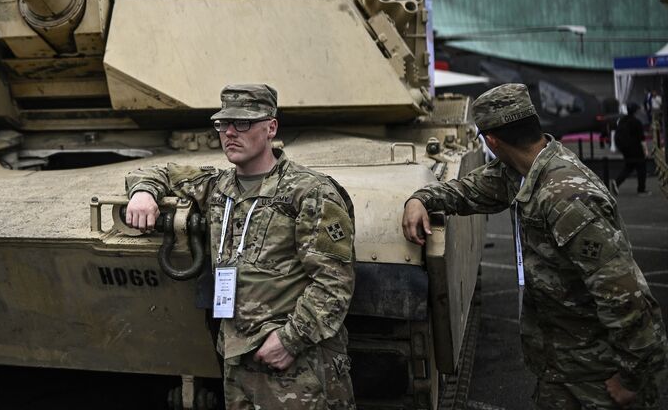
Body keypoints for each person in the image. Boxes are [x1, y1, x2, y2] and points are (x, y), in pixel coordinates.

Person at [402, 83, 666, 409]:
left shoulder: (567, 198)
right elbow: (470, 190)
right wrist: (421, 198)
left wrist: (631, 378)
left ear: (492, 141)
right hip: (560, 366)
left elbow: (625, 296)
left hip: (596, 375)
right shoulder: (524, 169)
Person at [125, 84, 356, 409]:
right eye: (223, 124)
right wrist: (144, 193)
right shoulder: (219, 187)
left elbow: (334, 283)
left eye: (243, 123)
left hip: (299, 366)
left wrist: (290, 340)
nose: (230, 132)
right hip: (236, 357)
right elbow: (157, 171)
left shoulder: (309, 192)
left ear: (271, 127)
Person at [614, 104, 649, 195]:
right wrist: (645, 150)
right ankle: (641, 190)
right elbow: (642, 138)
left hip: (625, 149)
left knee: (629, 167)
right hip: (636, 149)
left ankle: (616, 182)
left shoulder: (622, 120)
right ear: (635, 111)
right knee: (641, 168)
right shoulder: (636, 122)